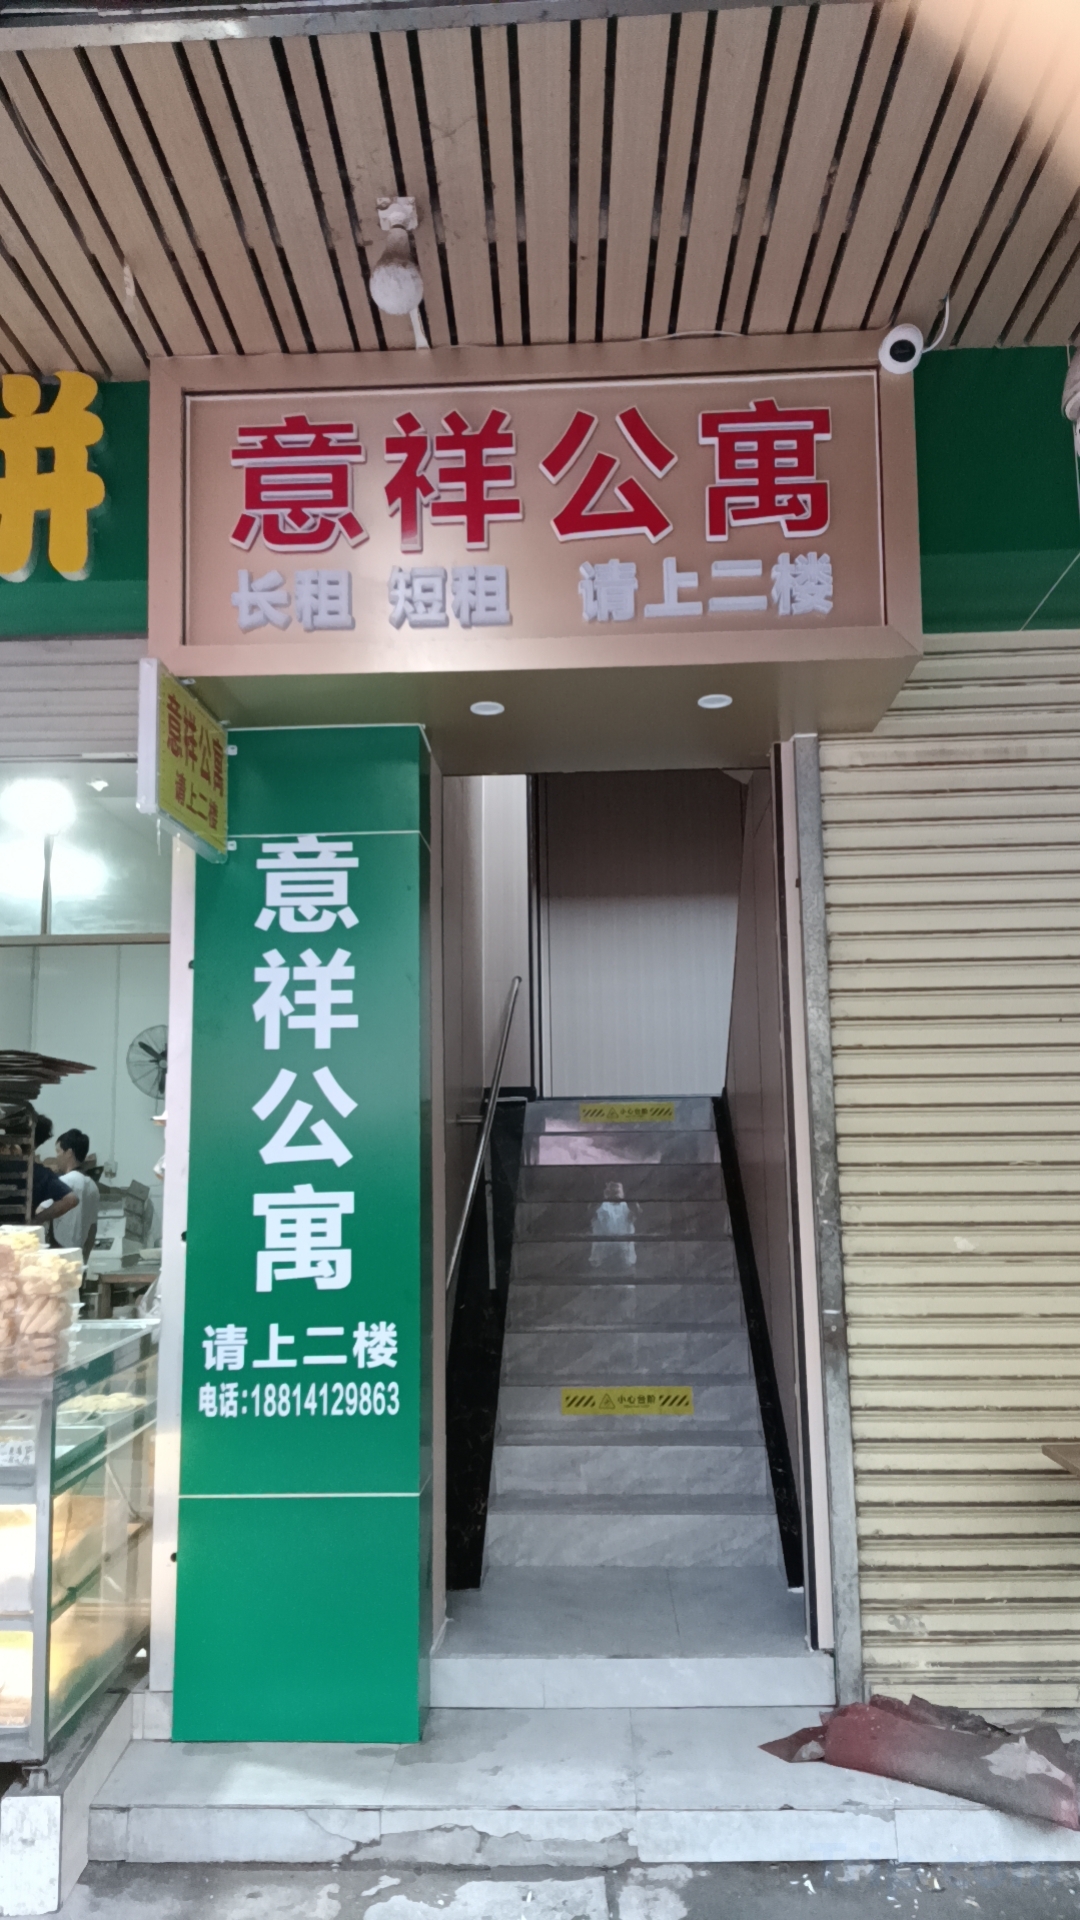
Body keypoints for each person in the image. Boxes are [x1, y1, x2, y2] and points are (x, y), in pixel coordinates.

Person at [50, 1129, 99, 1264]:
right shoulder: (92, 1186)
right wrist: (85, 1260)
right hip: (79, 1258)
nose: (56, 1157)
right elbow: (93, 1229)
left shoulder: (63, 1182)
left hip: (59, 1258)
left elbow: (40, 1212)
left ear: (69, 1153)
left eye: (58, 1151)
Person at [29, 1114, 77, 1235]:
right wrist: (36, 1220)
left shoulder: (39, 1173)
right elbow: (70, 1199)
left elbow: (71, 1200)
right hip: (22, 1234)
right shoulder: (41, 1173)